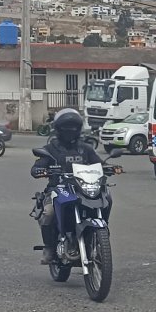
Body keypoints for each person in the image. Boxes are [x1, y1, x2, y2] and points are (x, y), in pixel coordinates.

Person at [30, 109, 103, 264]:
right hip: (58, 189)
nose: (70, 132)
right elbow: (38, 166)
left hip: (83, 188)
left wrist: (110, 167)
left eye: (73, 128)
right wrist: (39, 170)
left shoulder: (85, 148)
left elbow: (99, 164)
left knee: (106, 198)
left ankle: (99, 236)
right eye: (66, 128)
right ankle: (49, 248)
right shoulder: (51, 149)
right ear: (59, 130)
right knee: (48, 213)